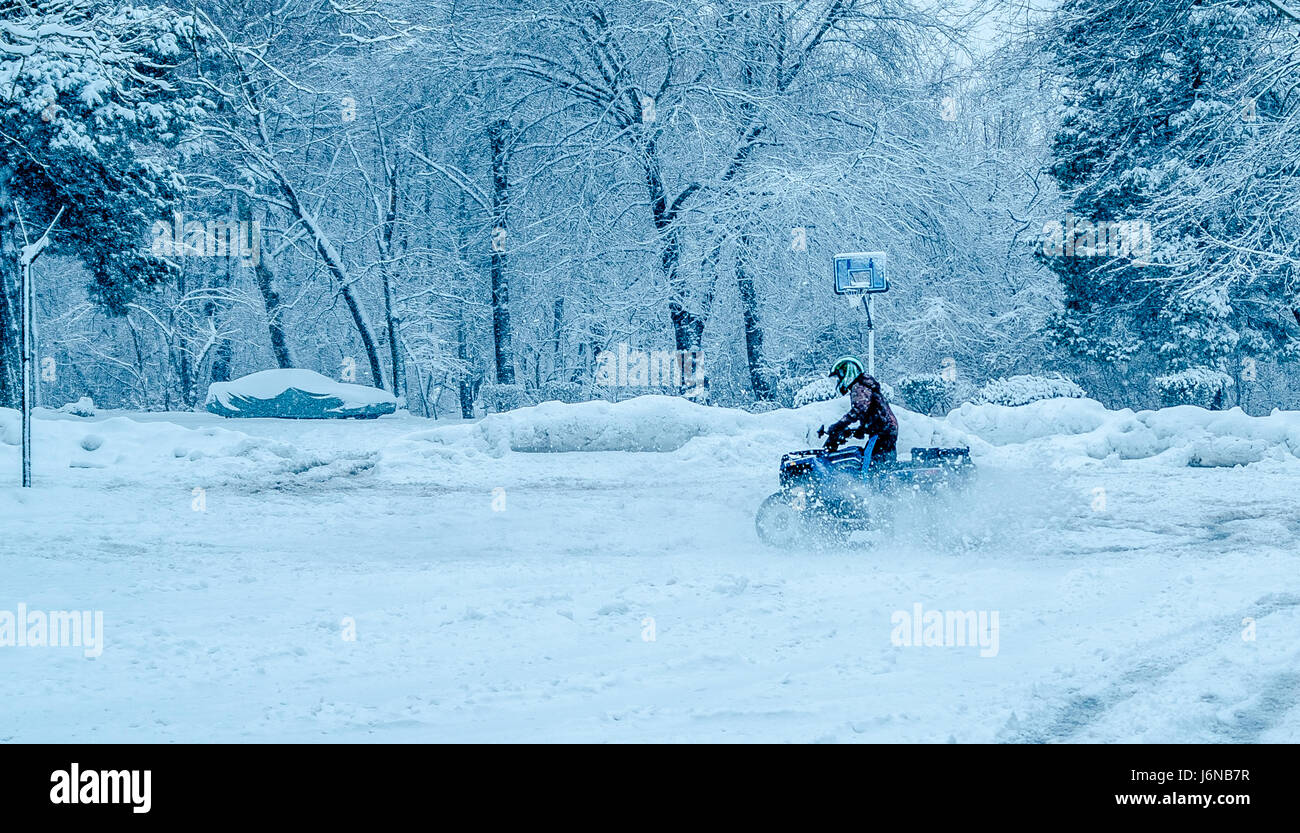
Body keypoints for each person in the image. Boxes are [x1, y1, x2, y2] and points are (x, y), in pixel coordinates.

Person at [823, 356, 898, 465]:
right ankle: (881, 478)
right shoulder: (865, 385)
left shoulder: (859, 386)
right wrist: (859, 430)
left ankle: (873, 481)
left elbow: (860, 409)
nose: (840, 380)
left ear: (848, 372)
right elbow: (872, 412)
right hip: (885, 430)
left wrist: (839, 425)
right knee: (879, 461)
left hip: (882, 431)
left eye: (840, 376)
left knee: (870, 462)